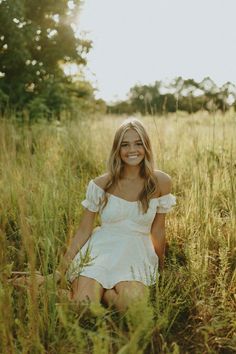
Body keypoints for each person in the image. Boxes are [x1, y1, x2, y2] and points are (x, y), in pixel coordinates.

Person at [11, 117, 176, 313]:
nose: (132, 150)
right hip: (101, 250)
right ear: (117, 149)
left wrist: (162, 267)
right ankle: (40, 283)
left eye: (138, 143)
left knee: (133, 307)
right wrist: (59, 271)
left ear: (146, 146)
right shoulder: (100, 185)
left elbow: (158, 230)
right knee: (83, 307)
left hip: (136, 252)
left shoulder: (160, 182)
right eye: (125, 145)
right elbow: (83, 231)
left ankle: (105, 293)